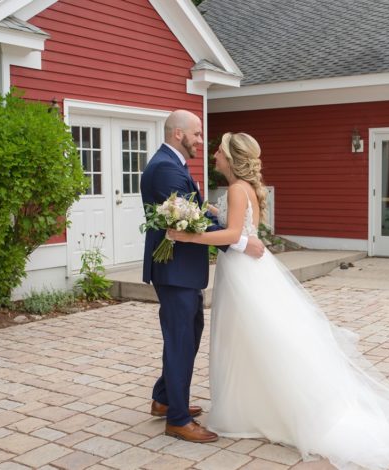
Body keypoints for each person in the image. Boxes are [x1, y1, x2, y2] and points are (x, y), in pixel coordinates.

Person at [168, 132, 389, 469]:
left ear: (232, 158)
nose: (214, 155)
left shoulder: (238, 189)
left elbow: (234, 235)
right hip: (244, 268)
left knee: (251, 338)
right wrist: (204, 211)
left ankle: (262, 410)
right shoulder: (240, 189)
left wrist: (188, 235)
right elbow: (238, 227)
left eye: (219, 151)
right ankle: (252, 406)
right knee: (247, 340)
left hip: (242, 272)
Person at [140, 111, 265, 443]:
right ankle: (178, 420)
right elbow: (186, 221)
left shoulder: (174, 164)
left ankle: (165, 399)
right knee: (181, 339)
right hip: (175, 269)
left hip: (182, 269)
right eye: (196, 134)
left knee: (187, 335)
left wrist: (215, 215)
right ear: (179, 134)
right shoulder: (167, 167)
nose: (201, 140)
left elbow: (193, 212)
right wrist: (240, 241)